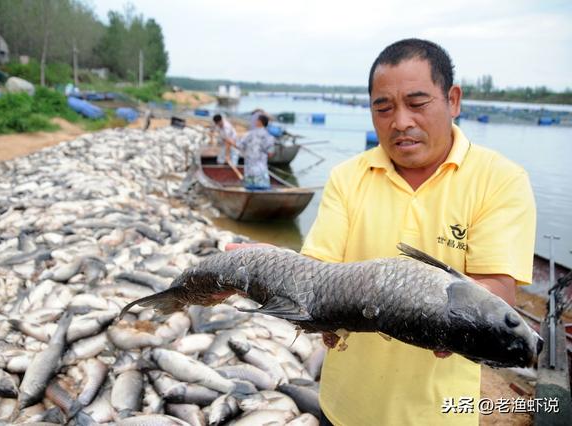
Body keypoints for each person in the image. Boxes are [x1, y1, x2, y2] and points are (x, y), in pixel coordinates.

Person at [228, 39, 536, 425]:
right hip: (344, 408)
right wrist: (272, 265)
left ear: (453, 100)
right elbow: (316, 271)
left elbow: (499, 290)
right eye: (383, 107)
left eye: (418, 103)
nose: (400, 121)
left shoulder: (500, 180)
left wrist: (446, 324)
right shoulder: (347, 176)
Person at [227, 114, 275, 190]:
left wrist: (231, 142)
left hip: (250, 171)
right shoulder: (269, 136)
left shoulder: (249, 134)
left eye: (257, 120)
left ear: (259, 122)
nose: (255, 121)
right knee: (263, 189)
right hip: (262, 171)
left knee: (250, 189)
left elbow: (239, 146)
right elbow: (270, 154)